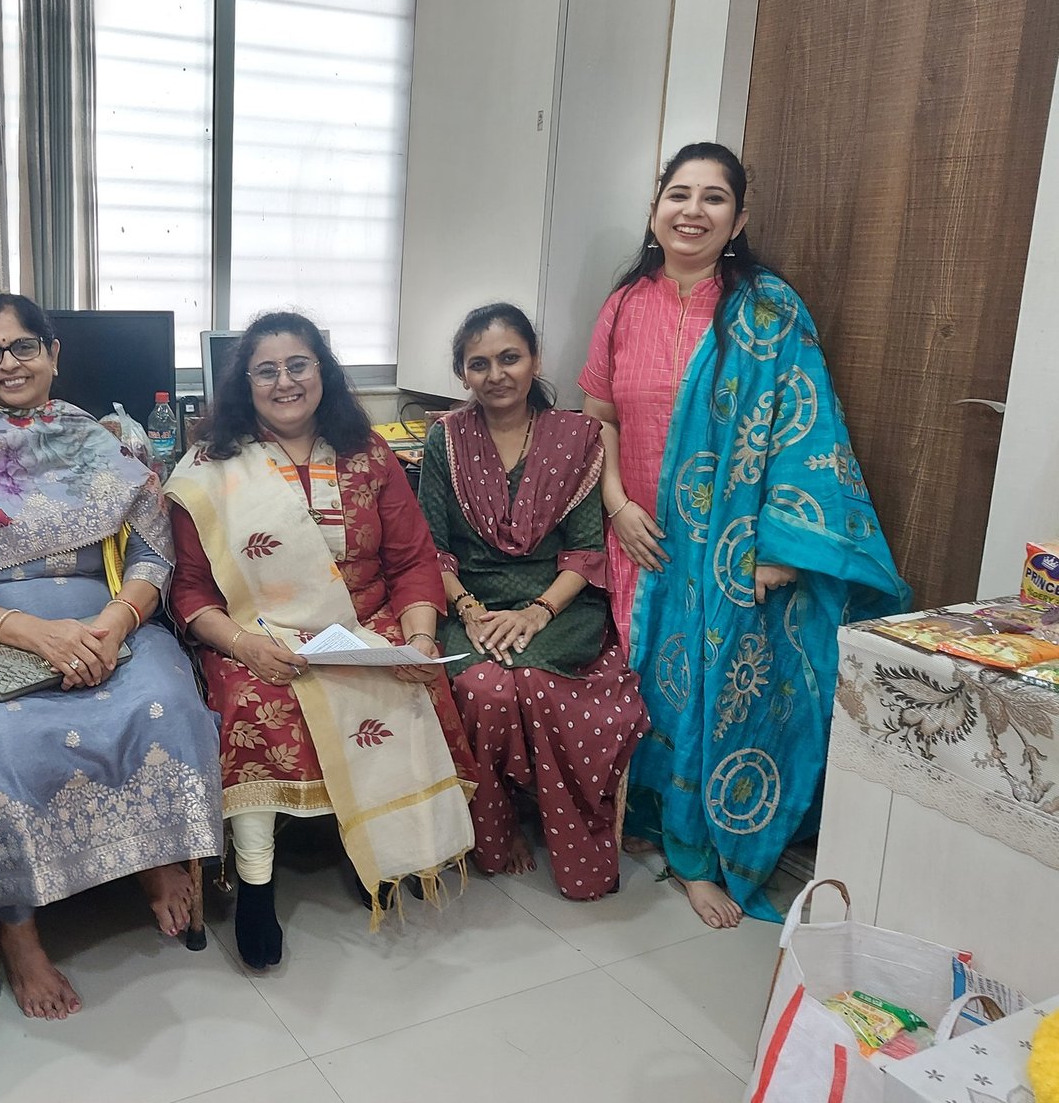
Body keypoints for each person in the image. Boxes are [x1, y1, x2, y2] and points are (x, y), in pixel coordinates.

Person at [579, 142, 909, 927]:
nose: (692, 210)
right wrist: (617, 505)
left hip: (732, 551)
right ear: (655, 208)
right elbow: (599, 418)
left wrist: (777, 548)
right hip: (643, 538)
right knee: (650, 686)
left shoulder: (769, 308)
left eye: (714, 198)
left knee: (714, 693)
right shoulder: (623, 304)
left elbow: (807, 426)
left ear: (739, 219)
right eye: (679, 194)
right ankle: (655, 823)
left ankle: (700, 855)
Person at [0, 293, 222, 1021]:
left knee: (165, 706)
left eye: (24, 347)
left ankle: (155, 859)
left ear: (52, 353)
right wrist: (33, 634)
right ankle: (19, 929)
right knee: (5, 741)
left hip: (110, 621)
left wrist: (112, 624)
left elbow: (152, 555)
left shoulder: (112, 442)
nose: (9, 363)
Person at [165, 311, 477, 972]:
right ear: (244, 384)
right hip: (259, 633)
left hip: (365, 624)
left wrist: (419, 639)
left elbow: (413, 561)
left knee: (406, 685)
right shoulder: (209, 469)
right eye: (266, 371)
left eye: (298, 365)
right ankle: (256, 883)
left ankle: (388, 851)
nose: (285, 382)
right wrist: (242, 646)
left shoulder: (371, 456)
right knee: (254, 705)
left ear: (323, 371)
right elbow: (189, 591)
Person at [418, 303, 648, 900]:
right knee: (485, 690)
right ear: (462, 374)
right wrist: (469, 611)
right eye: (479, 364)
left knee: (537, 685)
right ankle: (496, 833)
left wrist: (536, 612)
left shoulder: (576, 437)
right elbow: (433, 550)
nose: (496, 375)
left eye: (510, 358)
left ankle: (560, 826)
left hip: (558, 604)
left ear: (535, 360)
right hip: (471, 603)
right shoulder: (446, 439)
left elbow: (585, 553)